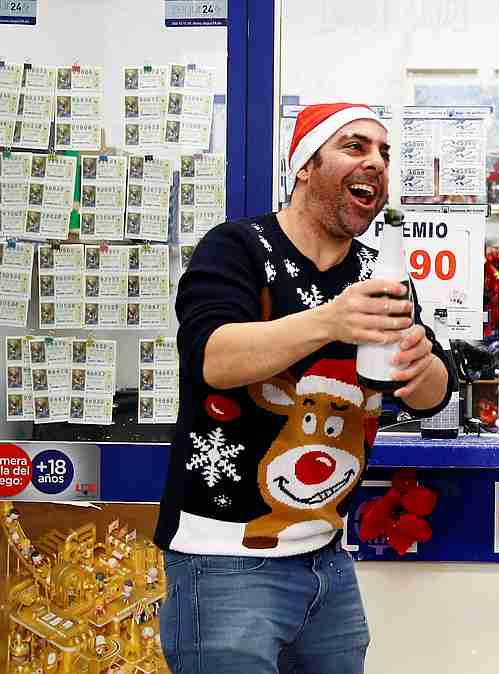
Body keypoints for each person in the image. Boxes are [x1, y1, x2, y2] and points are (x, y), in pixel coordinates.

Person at [155, 102, 454, 674]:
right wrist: (328, 322)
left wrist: (421, 365)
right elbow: (210, 357)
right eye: (355, 146)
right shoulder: (237, 247)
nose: (376, 162)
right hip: (223, 561)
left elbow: (434, 393)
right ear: (304, 167)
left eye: (384, 153)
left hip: (326, 558)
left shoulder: (378, 271)